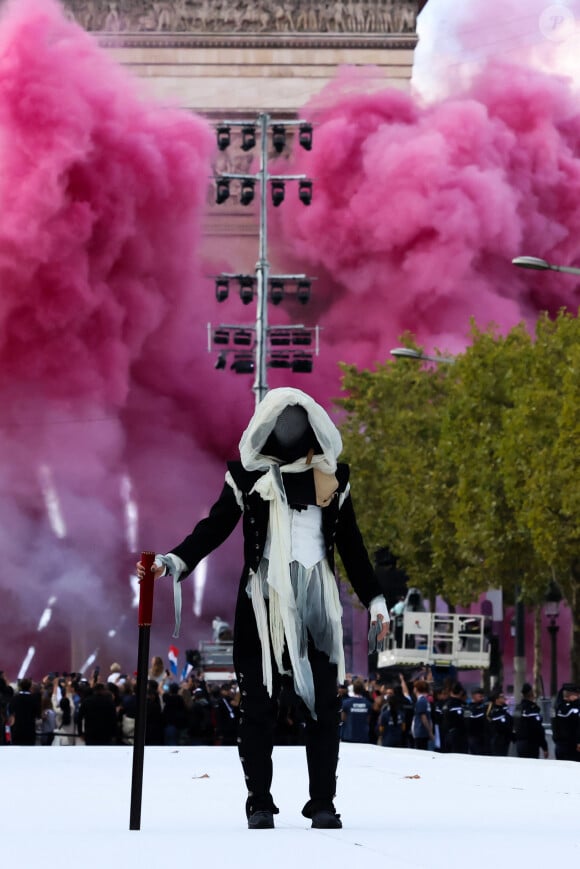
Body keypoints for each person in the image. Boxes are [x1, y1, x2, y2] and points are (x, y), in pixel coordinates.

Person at [137, 387, 389, 830]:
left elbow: (352, 548)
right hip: (261, 604)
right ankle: (259, 800)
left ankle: (323, 802)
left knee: (323, 707)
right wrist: (173, 561)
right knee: (258, 705)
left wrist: (376, 600)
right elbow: (213, 527)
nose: (290, 432)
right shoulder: (248, 478)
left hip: (317, 604)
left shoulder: (335, 479)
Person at [514, 683, 548, 759]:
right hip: (531, 744)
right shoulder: (532, 709)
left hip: (520, 743)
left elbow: (515, 725)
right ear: (531, 693)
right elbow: (538, 729)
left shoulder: (518, 708)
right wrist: (544, 747)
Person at [552, 683, 580, 761]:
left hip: (559, 745)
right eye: (577, 695)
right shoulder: (572, 708)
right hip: (571, 746)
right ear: (571, 695)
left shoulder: (557, 706)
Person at [340, 678, 373, 743]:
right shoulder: (368, 703)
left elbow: (343, 718)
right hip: (363, 737)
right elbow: (368, 720)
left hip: (348, 736)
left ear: (353, 688)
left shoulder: (346, 703)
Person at [486, 690, 514, 756]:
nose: (504, 698)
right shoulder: (494, 710)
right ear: (497, 699)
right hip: (497, 739)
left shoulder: (506, 708)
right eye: (501, 697)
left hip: (506, 739)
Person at [411, 679, 433, 749]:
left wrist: (430, 732)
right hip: (422, 733)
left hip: (421, 732)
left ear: (417, 689)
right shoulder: (425, 700)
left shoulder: (421, 701)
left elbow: (423, 718)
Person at [466, 687, 488, 755]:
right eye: (480, 696)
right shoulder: (468, 707)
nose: (482, 698)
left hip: (483, 737)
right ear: (473, 696)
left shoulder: (485, 706)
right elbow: (466, 722)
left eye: (482, 696)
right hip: (473, 737)